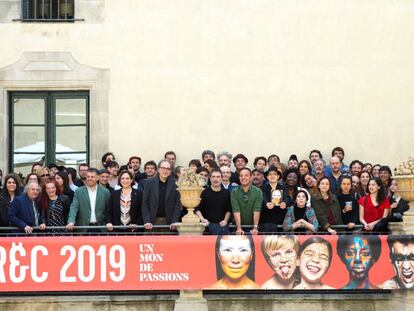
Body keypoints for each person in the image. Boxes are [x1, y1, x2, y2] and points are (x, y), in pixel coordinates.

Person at [66, 168, 111, 232]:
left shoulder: (105, 192)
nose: (90, 179)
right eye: (88, 177)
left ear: (97, 178)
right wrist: (71, 221)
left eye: (92, 177)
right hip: (83, 228)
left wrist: (109, 222)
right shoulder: (79, 191)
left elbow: (108, 210)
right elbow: (74, 207)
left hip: (101, 228)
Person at [142, 160, 181, 231]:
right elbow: (145, 203)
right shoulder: (149, 182)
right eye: (163, 168)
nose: (165, 171)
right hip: (152, 222)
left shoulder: (176, 183)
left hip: (170, 223)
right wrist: (147, 220)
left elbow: (177, 204)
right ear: (158, 169)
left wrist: (174, 221)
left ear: (171, 171)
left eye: (168, 169)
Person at [195, 169, 231, 235]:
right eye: (213, 177)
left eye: (218, 177)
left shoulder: (226, 193)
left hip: (222, 225)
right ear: (210, 178)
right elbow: (197, 209)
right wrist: (202, 219)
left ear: (221, 178)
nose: (215, 179)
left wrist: (225, 220)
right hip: (207, 225)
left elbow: (228, 210)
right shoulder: (204, 192)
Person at [231, 167, 262, 235]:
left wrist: (255, 227)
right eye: (241, 176)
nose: (243, 177)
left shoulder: (258, 191)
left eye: (246, 175)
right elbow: (236, 210)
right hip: (236, 226)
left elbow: (257, 210)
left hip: (253, 226)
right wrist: (238, 228)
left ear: (251, 177)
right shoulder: (234, 191)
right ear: (239, 178)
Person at [260, 166, 289, 233]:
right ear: (267, 177)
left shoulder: (283, 187)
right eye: (270, 174)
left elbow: (286, 198)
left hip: (280, 216)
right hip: (266, 217)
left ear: (278, 176)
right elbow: (262, 198)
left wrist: (284, 203)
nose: (272, 176)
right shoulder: (263, 187)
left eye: (274, 174)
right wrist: (266, 203)